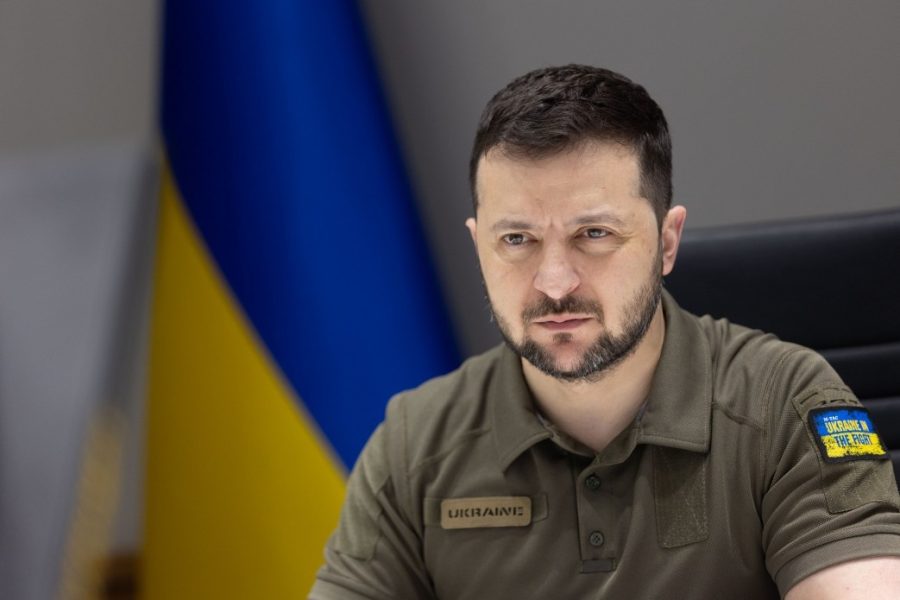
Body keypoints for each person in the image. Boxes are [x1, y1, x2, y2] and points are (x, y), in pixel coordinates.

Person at [309, 64, 900, 599]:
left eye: (594, 234)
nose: (555, 283)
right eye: (516, 239)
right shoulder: (415, 442)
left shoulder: (786, 403)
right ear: (478, 246)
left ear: (666, 242)